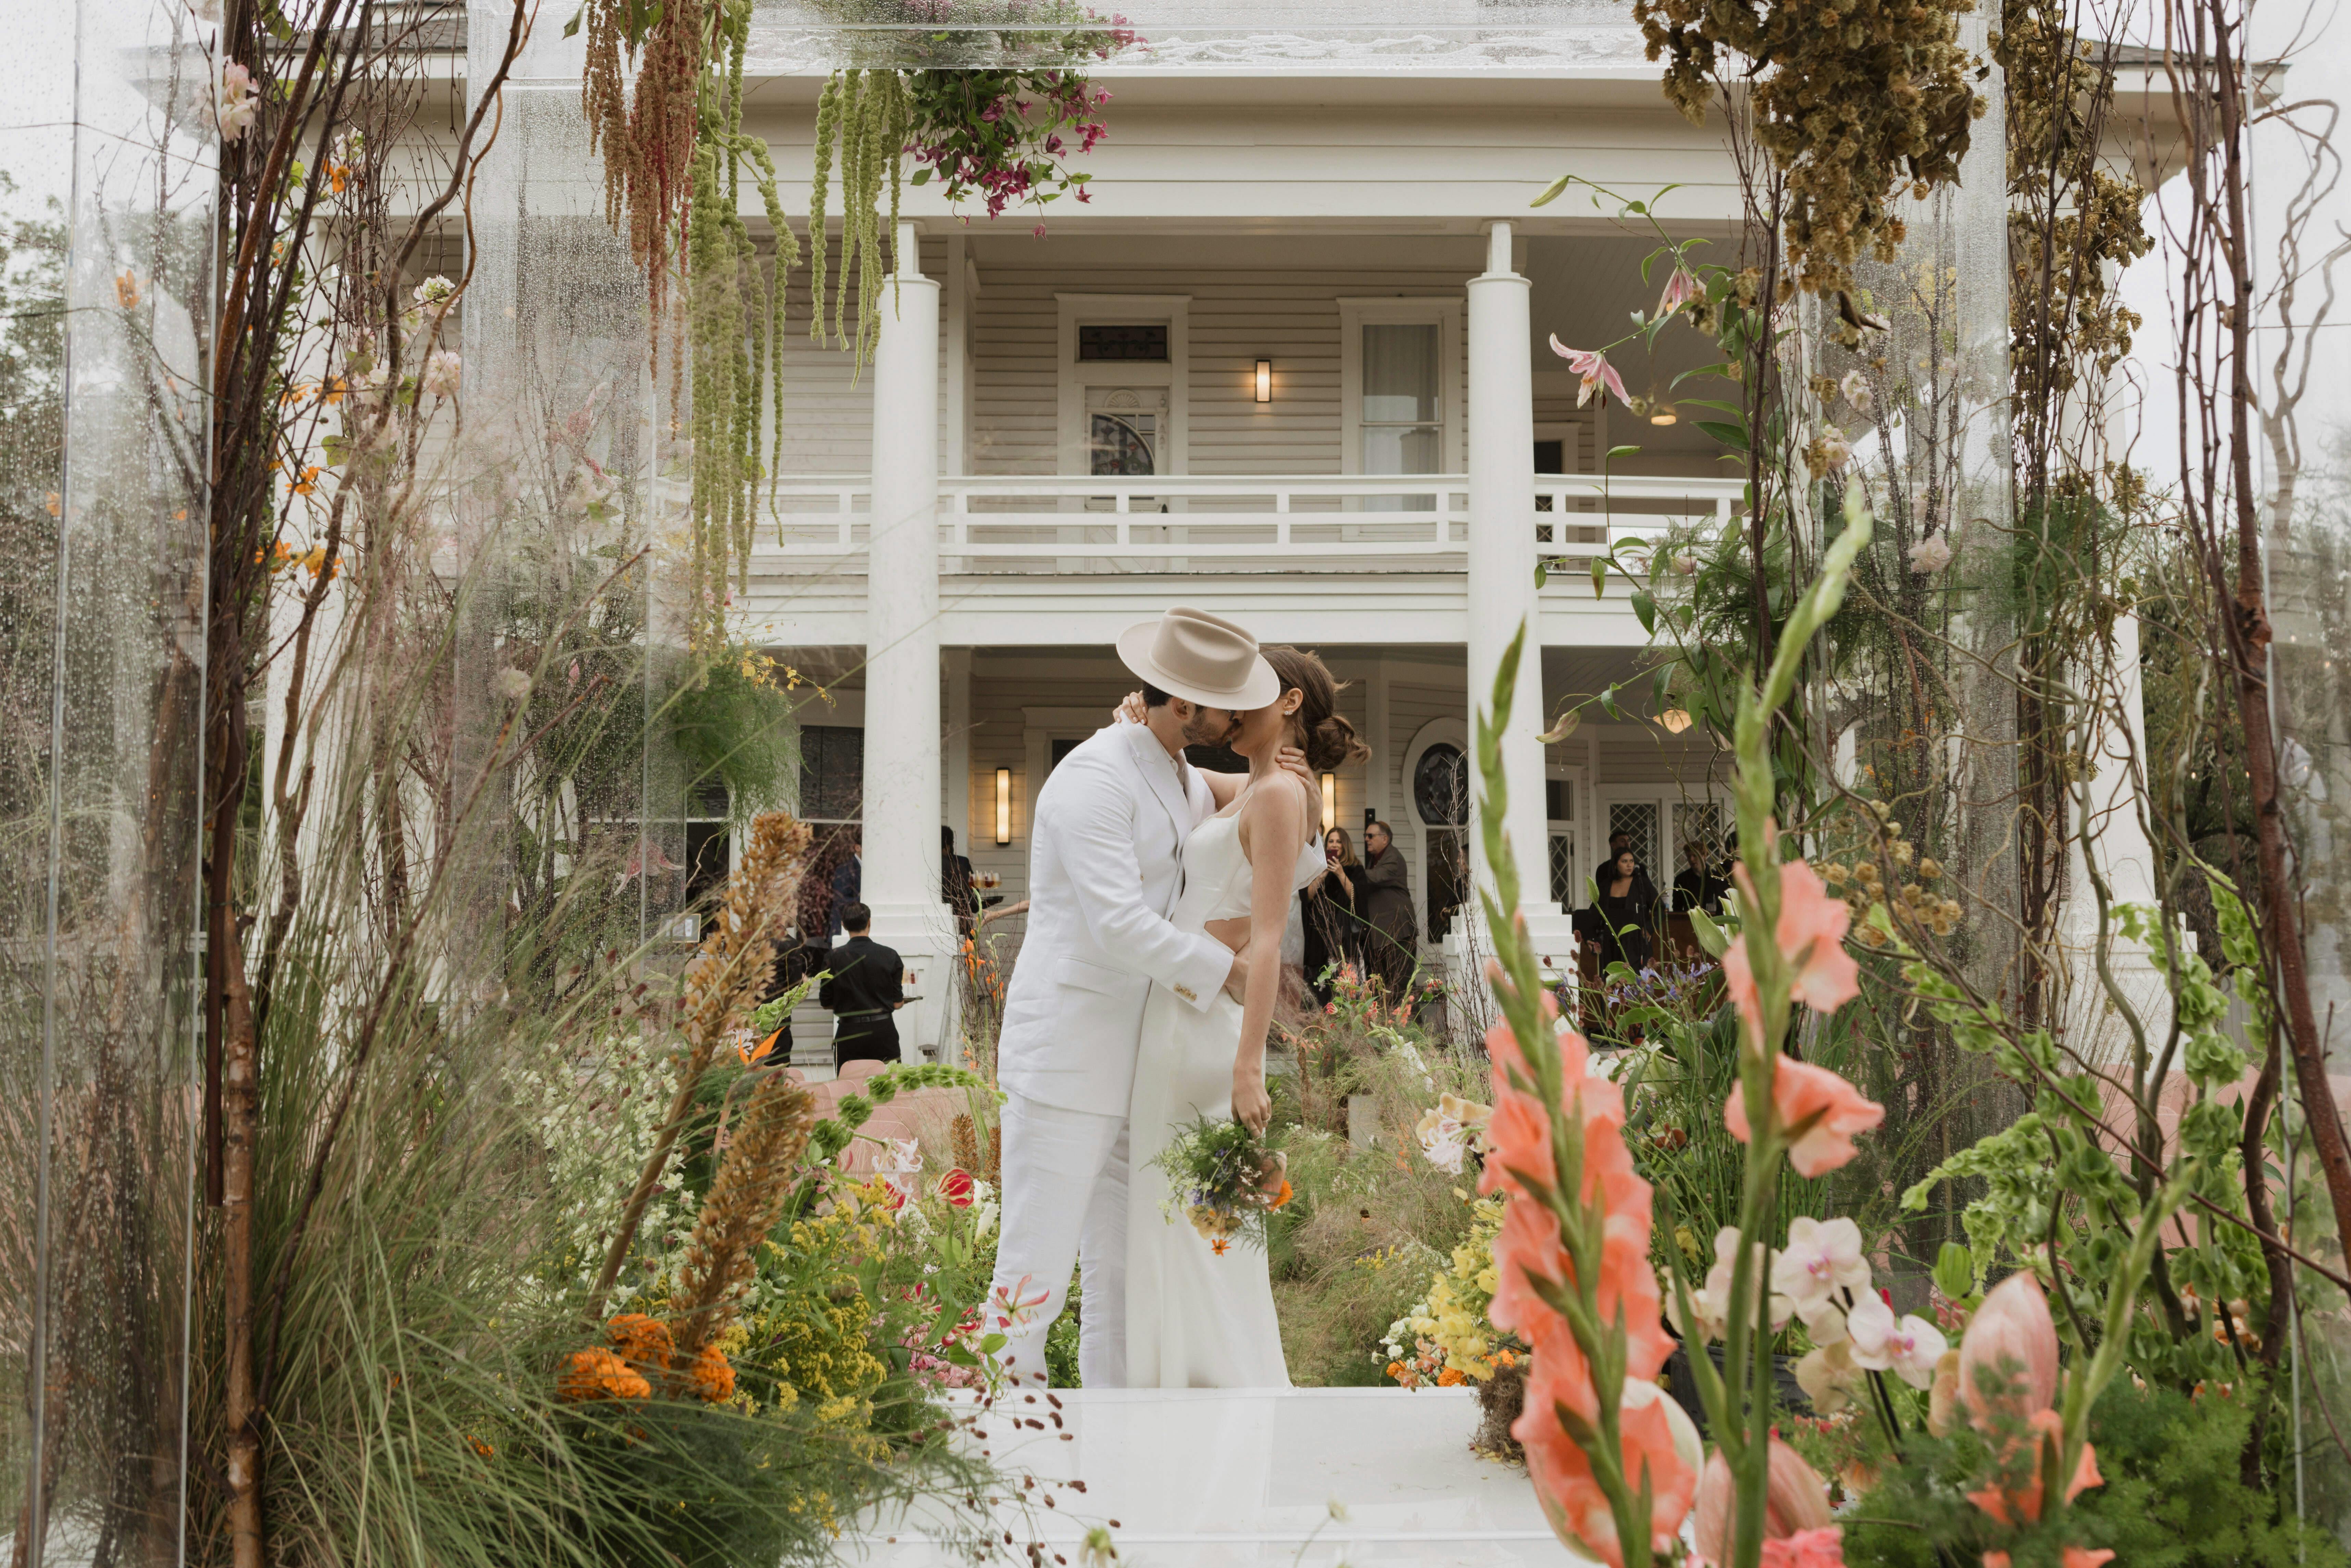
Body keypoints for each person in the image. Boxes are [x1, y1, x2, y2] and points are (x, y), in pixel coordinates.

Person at [984, 606, 1315, 1389]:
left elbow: (1279, 852)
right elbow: (1118, 924)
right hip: (1066, 1062)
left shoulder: (1177, 773)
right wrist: (1223, 968)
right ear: (1181, 701)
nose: (1231, 715)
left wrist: (1285, 784)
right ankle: (991, 1465)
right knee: (1030, 1284)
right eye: (1220, 702)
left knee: (1117, 1285)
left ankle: (1113, 1465)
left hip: (1147, 1069)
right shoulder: (1093, 779)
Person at [1126, 642, 1367, 1389]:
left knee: (1203, 1222)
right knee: (1181, 1213)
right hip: (1180, 1012)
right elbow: (1187, 778)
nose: (1226, 712)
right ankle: (1183, 1385)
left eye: (1243, 697)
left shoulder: (1274, 795)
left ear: (1288, 702)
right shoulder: (1260, 785)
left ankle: (1219, 1389)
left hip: (1205, 1029)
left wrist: (1248, 1064)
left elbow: (1268, 939)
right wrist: (1145, 719)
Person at [819, 903, 906, 1066]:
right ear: (869, 923)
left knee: (849, 1086)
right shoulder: (890, 955)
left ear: (844, 925)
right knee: (889, 1085)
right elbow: (897, 1002)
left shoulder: (833, 958)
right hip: (883, 1031)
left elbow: (826, 1003)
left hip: (848, 1032)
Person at [1300, 827, 1362, 1001]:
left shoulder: (1355, 868)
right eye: (1330, 841)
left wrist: (1341, 874)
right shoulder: (1317, 867)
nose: (1334, 845)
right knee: (1319, 988)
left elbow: (1357, 898)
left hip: (1343, 938)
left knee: (1344, 985)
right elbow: (1307, 897)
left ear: (1345, 845)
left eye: (1338, 842)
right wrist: (1322, 875)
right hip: (1319, 936)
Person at [1359, 820, 1418, 1000]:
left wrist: (1349, 869)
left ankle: (1413, 1027)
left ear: (1385, 839)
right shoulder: (1376, 860)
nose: (1367, 839)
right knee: (1386, 989)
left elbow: (1376, 878)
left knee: (1401, 986)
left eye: (1371, 836)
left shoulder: (1393, 858)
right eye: (1365, 836)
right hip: (1386, 934)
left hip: (1398, 932)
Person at [1591, 848, 1663, 971]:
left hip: (1634, 941)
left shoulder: (1642, 883)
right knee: (1613, 979)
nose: (1629, 865)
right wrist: (1591, 936)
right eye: (1624, 862)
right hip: (1611, 942)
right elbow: (1594, 912)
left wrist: (1650, 928)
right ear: (1615, 865)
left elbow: (1659, 908)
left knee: (1634, 980)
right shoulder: (1606, 886)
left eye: (1632, 861)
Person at [1673, 838, 1730, 916]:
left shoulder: (1716, 877)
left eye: (1695, 856)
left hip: (1713, 919)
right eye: (1689, 856)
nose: (1692, 859)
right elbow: (1677, 908)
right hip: (1690, 921)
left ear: (1704, 856)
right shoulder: (1681, 880)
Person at [943, 825, 979, 938]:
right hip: (960, 931)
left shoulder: (923, 870)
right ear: (948, 846)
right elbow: (974, 905)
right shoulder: (958, 869)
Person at [829, 830, 863, 937]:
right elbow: (841, 900)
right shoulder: (845, 870)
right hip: (845, 932)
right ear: (858, 848)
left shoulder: (875, 870)